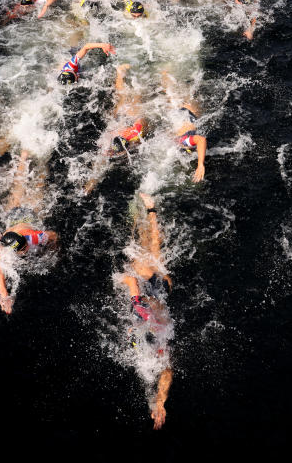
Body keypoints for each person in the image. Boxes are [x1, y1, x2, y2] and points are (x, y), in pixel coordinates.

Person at [120, 192, 174, 430]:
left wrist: (126, 283)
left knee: (142, 253)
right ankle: (149, 211)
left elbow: (130, 284)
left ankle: (142, 213)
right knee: (152, 251)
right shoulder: (157, 339)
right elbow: (167, 371)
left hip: (144, 295)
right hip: (158, 291)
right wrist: (160, 402)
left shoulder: (141, 327)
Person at [0, 150, 58, 314]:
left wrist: (54, 252)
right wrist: (4, 296)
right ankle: (25, 156)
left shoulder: (34, 238)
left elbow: (54, 235)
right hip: (13, 217)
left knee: (38, 185)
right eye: (25, 249)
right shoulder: (3, 249)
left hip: (29, 217)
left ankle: (41, 157)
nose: (28, 248)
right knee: (19, 188)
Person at [82, 64, 148, 194]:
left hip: (122, 121)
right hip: (122, 122)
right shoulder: (126, 138)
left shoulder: (128, 137)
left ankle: (120, 72)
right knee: (125, 99)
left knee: (126, 99)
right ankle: (120, 73)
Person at [161, 72, 207, 183]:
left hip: (185, 115)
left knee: (179, 94)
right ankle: (165, 73)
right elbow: (201, 140)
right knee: (171, 94)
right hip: (183, 116)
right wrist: (200, 164)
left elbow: (201, 139)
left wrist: (200, 164)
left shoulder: (183, 142)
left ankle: (166, 73)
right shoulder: (182, 142)